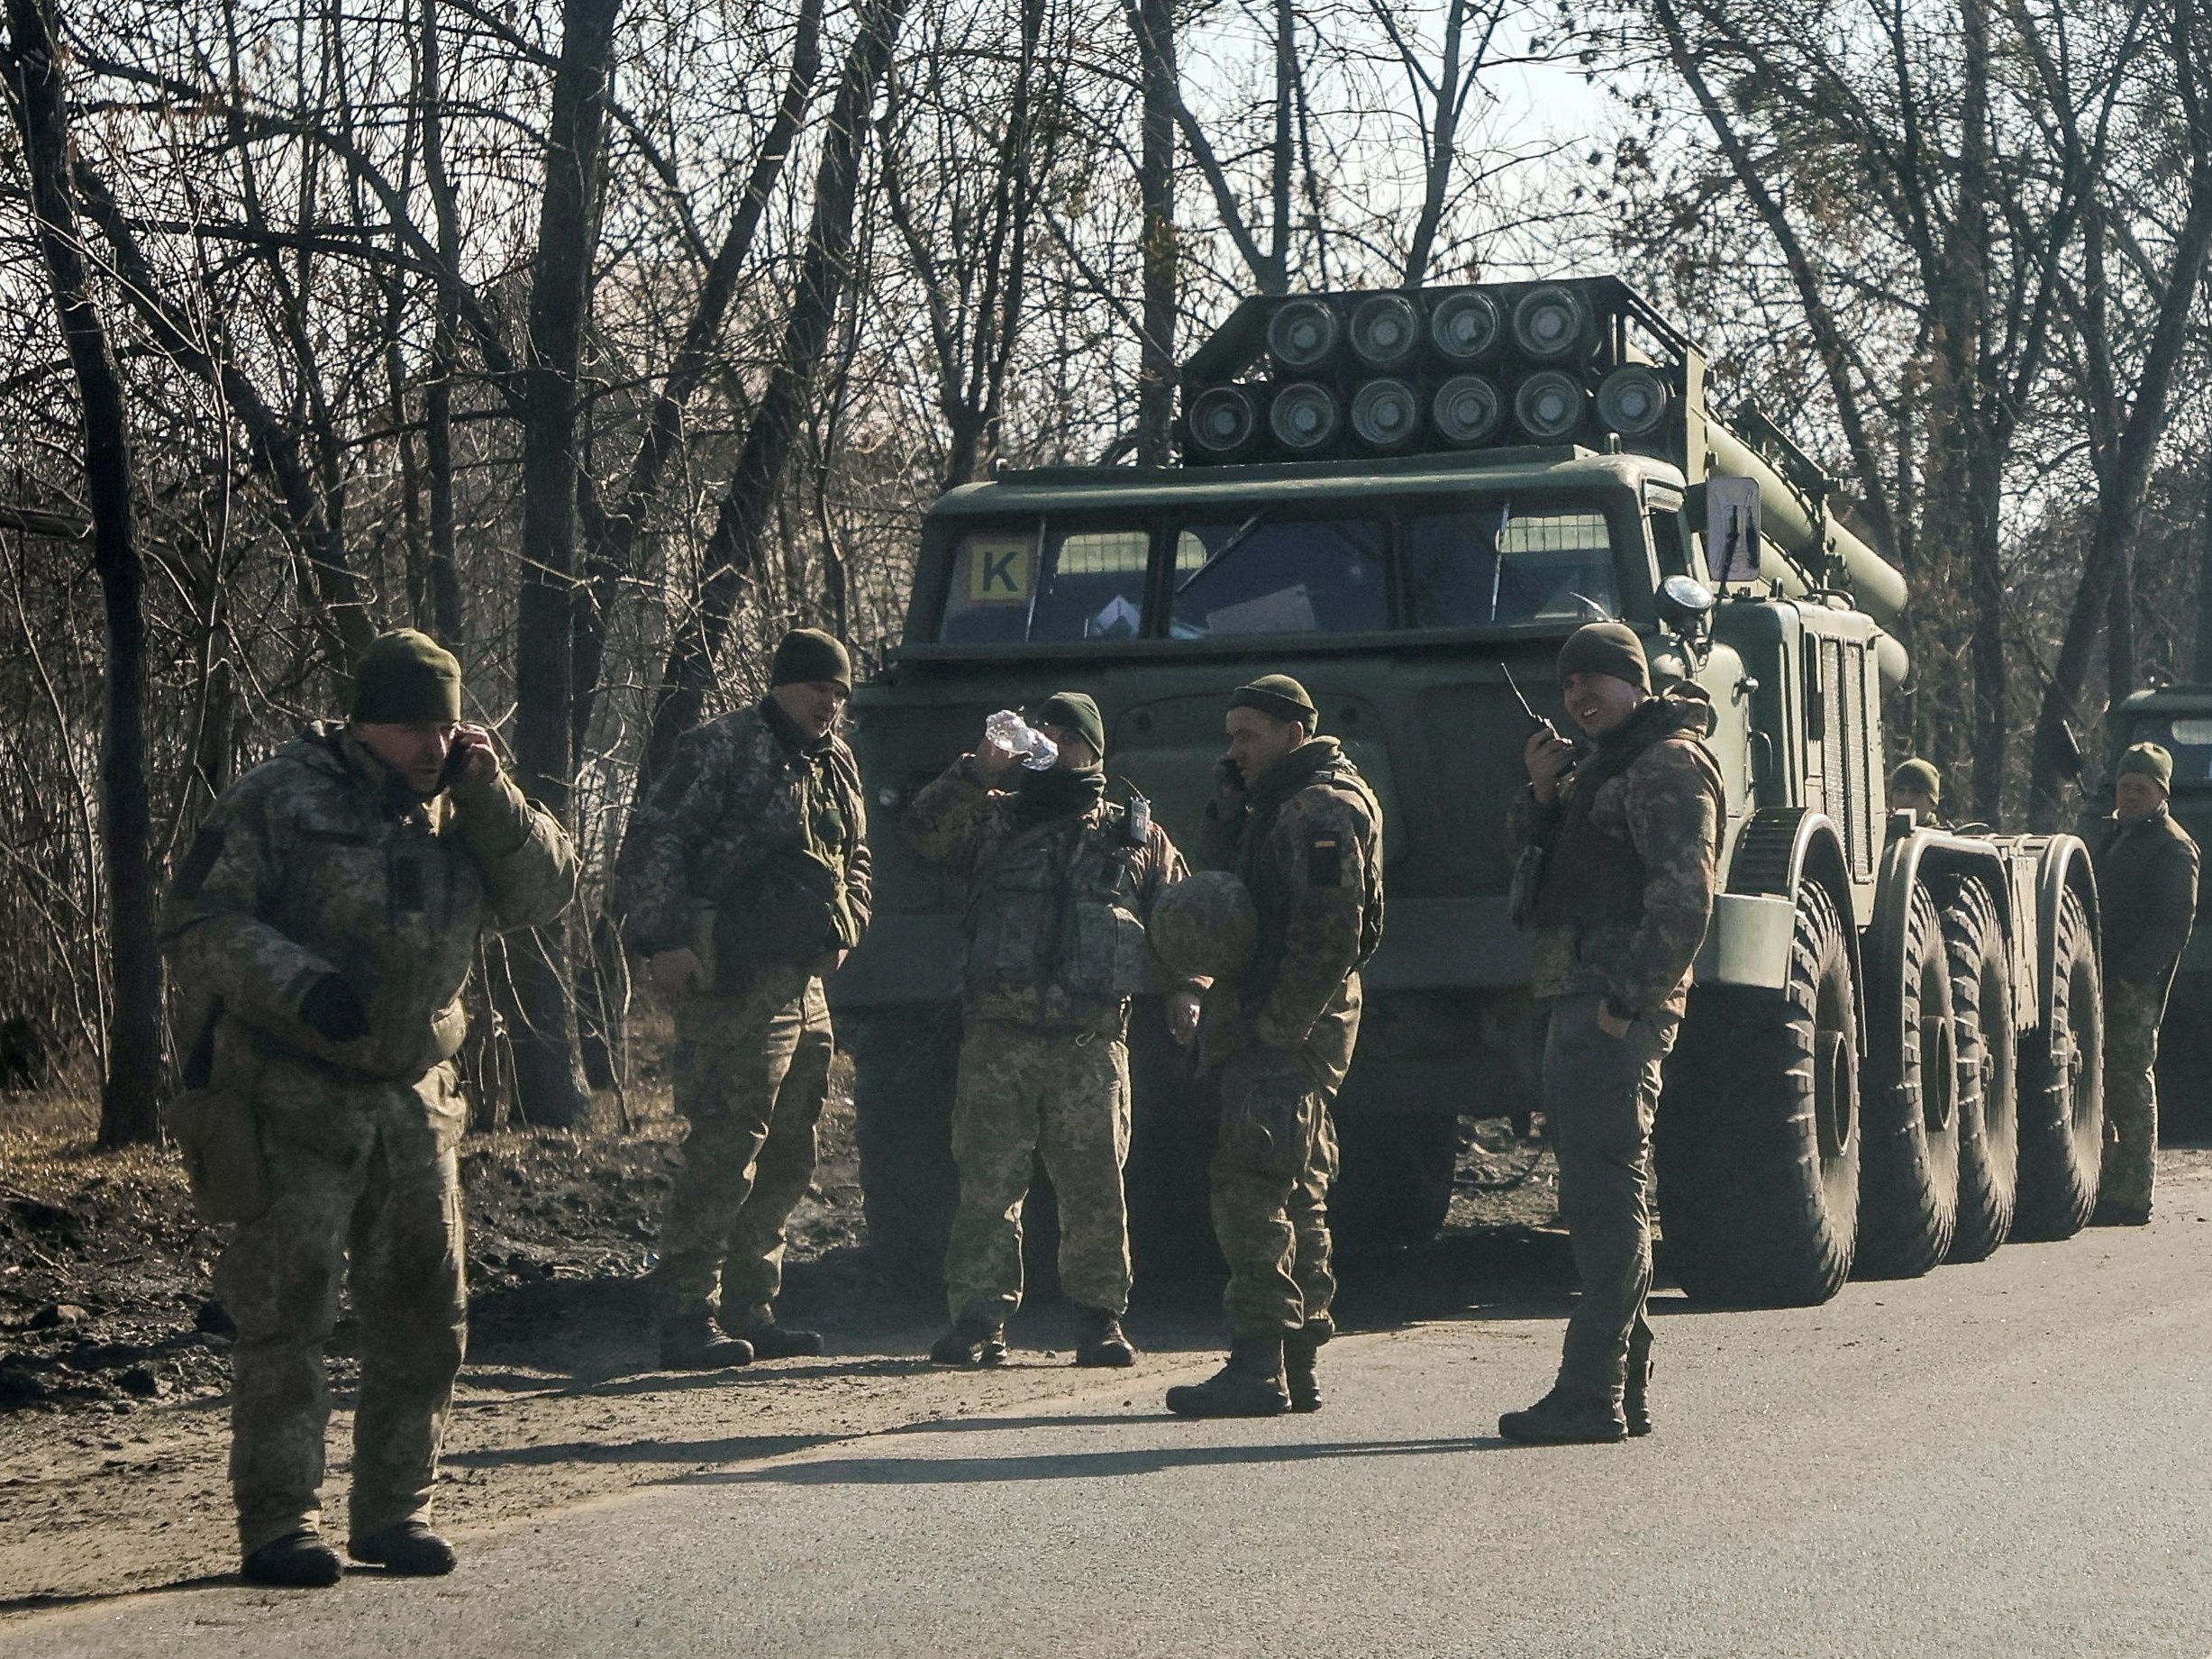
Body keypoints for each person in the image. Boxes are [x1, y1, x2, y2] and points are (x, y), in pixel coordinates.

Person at [161, 629, 578, 1586]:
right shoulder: (281, 795)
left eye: (443, 724)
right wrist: (301, 985)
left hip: (414, 1094)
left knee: (427, 1310)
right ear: (364, 724)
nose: (430, 746)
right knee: (288, 1310)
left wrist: (491, 796)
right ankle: (280, 1522)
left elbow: (548, 890)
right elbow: (198, 918)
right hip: (290, 1090)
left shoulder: (467, 805)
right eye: (409, 728)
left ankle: (396, 1509)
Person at [907, 692, 1193, 1368]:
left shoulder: (1136, 834)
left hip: (1090, 1044)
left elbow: (1178, 919)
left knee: (1095, 1186)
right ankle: (978, 1320)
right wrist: (979, 770)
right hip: (998, 1039)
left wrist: (1188, 990)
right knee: (986, 1186)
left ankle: (1100, 1320)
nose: (1053, 747)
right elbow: (923, 832)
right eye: (1047, 735)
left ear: (1092, 749)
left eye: (1067, 738)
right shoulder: (994, 821)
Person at [614, 627, 872, 1367]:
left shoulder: (838, 764)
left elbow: (856, 855)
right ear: (785, 684)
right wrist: (663, 939)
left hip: (804, 984)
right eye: (820, 687)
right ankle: (686, 1313)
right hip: (730, 980)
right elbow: (656, 837)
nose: (831, 703)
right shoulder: (719, 746)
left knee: (793, 1148)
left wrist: (848, 924)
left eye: (840, 693)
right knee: (728, 1147)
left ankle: (750, 1306)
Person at [1503, 621, 1723, 1444]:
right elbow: (1534, 878)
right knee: (1598, 1193)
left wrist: (1626, 1001)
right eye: (1568, 686)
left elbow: (1684, 898)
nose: (1579, 696)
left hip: (1611, 1006)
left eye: (1596, 681)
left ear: (1636, 683)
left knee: (1603, 1198)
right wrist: (1541, 796)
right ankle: (1616, 1388)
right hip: (1580, 997)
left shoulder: (1664, 764)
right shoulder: (1602, 766)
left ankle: (1591, 1389)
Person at [1165, 675, 1384, 1418]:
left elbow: (1331, 934)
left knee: (1251, 1188)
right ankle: (1296, 1360)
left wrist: (1277, 1029)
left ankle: (1259, 1361)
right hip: (1280, 1021)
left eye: (1246, 735)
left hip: (1287, 1025)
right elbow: (1222, 888)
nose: (1234, 749)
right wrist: (1226, 807)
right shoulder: (1275, 803)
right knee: (1297, 1188)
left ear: (1292, 732)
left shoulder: (1320, 808)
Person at [2089, 741, 2200, 1226]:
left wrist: (2135, 977)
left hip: (2133, 986)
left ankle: (2132, 1196)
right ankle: (2106, 1185)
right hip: (2099, 978)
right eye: (2124, 786)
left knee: (2131, 1082)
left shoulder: (2173, 846)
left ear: (2161, 792)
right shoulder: (2116, 836)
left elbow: (2175, 921)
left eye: (2140, 788)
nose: (2129, 795)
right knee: (2102, 1082)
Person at [1888, 758, 1947, 826]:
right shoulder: (1881, 832)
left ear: (1932, 801)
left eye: (1916, 792)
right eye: (1900, 791)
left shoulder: (1943, 836)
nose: (1907, 798)